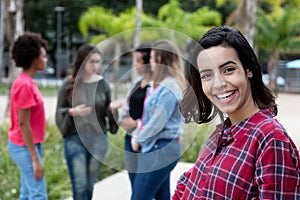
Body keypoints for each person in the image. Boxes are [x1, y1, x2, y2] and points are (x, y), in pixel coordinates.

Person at [173, 26, 300, 199]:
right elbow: (189, 185)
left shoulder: (271, 140)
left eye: (228, 70)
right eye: (207, 75)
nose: (218, 83)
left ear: (248, 70)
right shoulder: (220, 133)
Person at [55, 44, 118, 200]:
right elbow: (58, 112)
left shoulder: (103, 85)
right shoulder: (68, 85)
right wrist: (72, 112)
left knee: (90, 186)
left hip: (98, 140)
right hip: (75, 139)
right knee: (80, 186)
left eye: (98, 62)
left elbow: (110, 118)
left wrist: (112, 111)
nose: (95, 66)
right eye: (91, 62)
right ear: (82, 62)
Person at [129, 40, 186, 200]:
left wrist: (138, 139)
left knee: (139, 197)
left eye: (153, 58)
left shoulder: (170, 87)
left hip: (162, 148)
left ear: (161, 60)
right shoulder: (159, 86)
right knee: (162, 197)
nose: (151, 63)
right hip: (159, 148)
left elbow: (157, 122)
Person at [8, 32, 48, 199]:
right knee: (39, 195)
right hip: (24, 147)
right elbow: (23, 124)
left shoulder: (28, 82)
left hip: (29, 145)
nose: (46, 60)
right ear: (34, 59)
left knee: (26, 194)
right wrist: (34, 159)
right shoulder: (24, 85)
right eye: (43, 56)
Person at [118, 42, 152, 188]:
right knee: (134, 182)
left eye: (138, 61)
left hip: (146, 139)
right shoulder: (136, 83)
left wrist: (137, 124)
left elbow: (156, 116)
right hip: (129, 138)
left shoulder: (157, 87)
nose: (135, 65)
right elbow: (127, 106)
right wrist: (122, 120)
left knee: (145, 187)